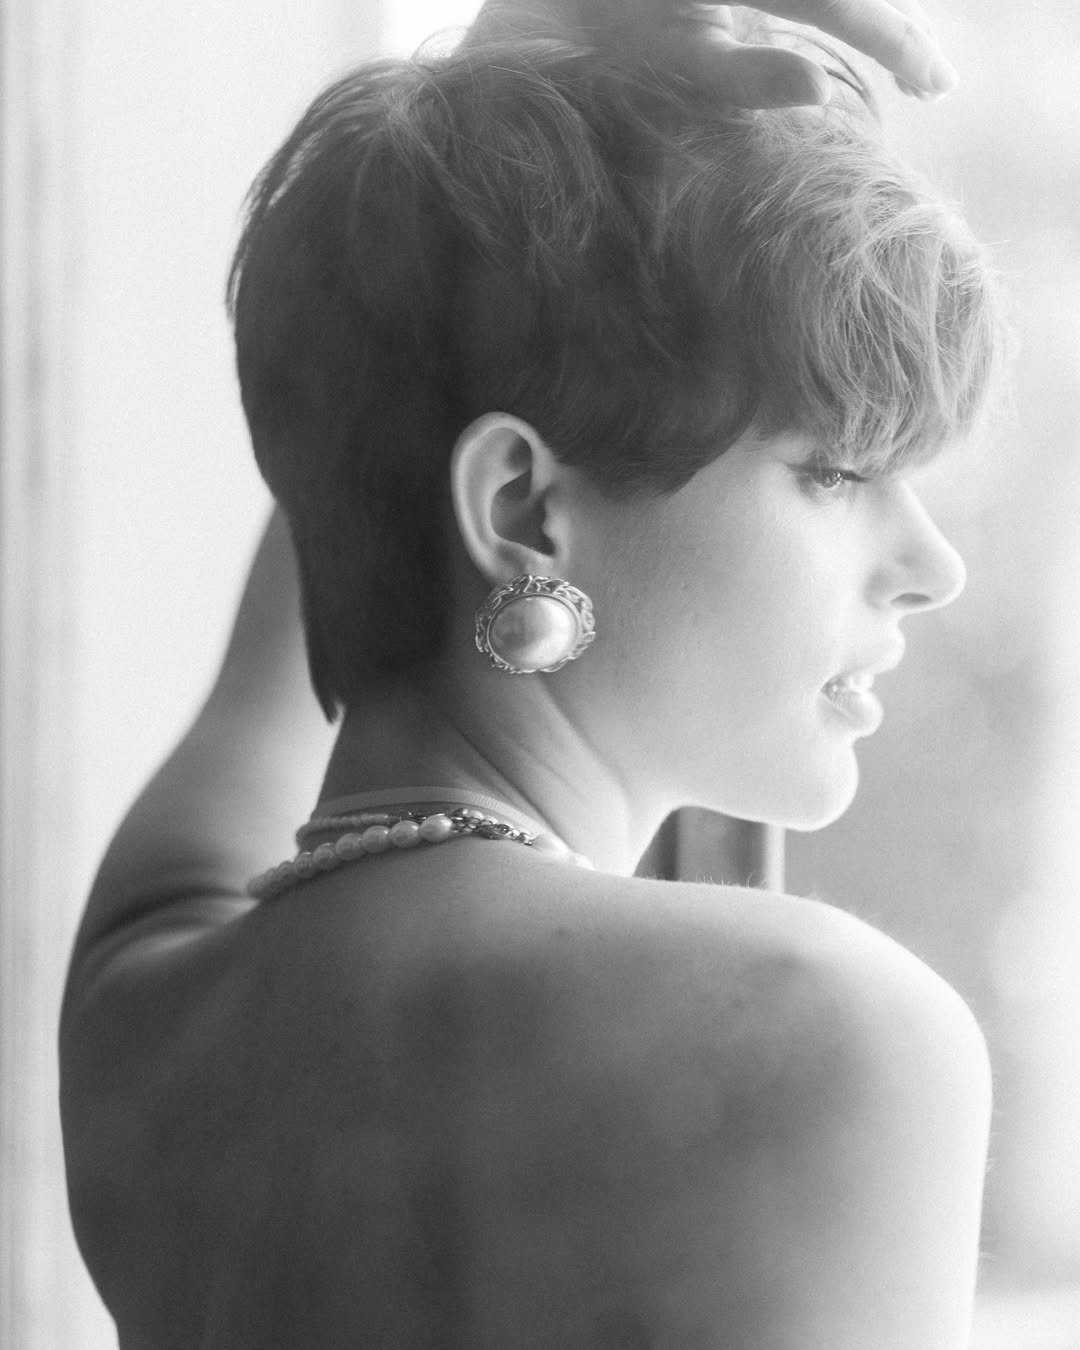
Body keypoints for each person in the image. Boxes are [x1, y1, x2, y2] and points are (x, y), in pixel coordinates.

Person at [59, 1, 1003, 1346]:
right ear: (520, 507)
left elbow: (357, 451)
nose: (931, 566)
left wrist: (500, 96)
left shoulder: (145, 1014)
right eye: (838, 471)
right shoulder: (822, 1032)